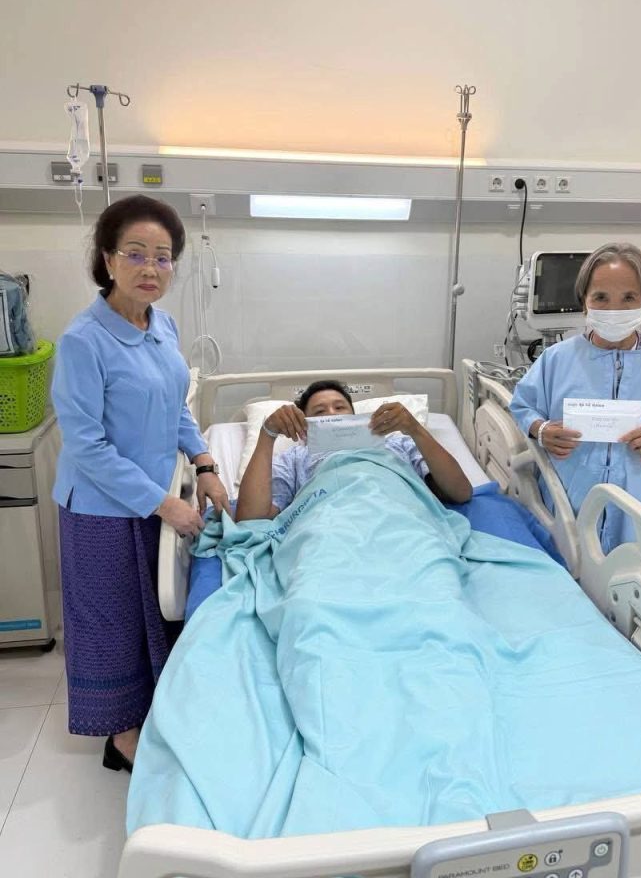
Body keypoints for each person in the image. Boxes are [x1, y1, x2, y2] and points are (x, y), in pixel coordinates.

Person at [52, 195, 228, 773]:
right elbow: (87, 446)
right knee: (111, 623)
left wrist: (204, 462)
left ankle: (151, 717)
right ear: (107, 259)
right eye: (135, 254)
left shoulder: (161, 325)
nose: (151, 268)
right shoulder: (84, 341)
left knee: (149, 612)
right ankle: (122, 739)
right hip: (100, 510)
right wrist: (164, 505)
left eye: (163, 256)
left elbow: (175, 406)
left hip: (155, 498)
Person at [510, 242, 641, 558]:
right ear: (584, 302)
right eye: (601, 297)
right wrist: (541, 429)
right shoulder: (556, 360)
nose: (614, 309)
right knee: (571, 571)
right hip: (571, 500)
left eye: (628, 298)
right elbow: (522, 405)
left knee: (637, 577)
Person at [236, 379, 472, 521]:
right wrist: (267, 434)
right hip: (326, 525)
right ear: (304, 423)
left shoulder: (397, 443)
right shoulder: (294, 457)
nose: (332, 414)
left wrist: (415, 430)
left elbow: (461, 492)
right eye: (319, 412)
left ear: (355, 415)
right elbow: (250, 519)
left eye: (340, 407)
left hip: (401, 518)